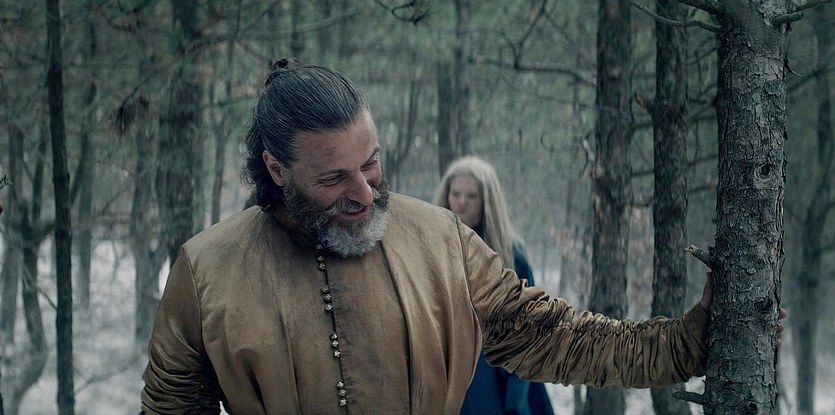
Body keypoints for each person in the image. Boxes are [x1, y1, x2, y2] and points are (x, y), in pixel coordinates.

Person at [141, 58, 734, 414]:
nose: (365, 192)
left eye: (371, 163)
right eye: (334, 177)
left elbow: (560, 339)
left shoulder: (442, 240)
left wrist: (689, 341)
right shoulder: (207, 270)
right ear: (276, 170)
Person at [434, 156, 554, 415]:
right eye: (456, 193)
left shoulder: (512, 258)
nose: (461, 202)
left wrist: (514, 402)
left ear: (486, 202)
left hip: (497, 384)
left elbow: (527, 335)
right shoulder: (433, 250)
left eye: (471, 196)